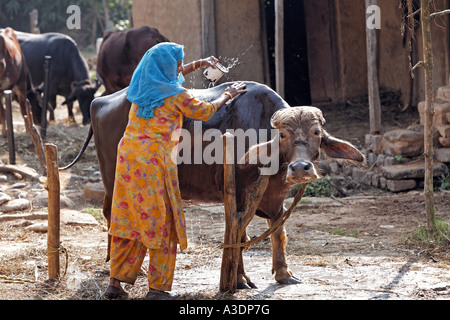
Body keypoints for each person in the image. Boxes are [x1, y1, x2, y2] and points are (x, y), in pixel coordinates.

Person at [104, 42, 247, 300]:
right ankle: (157, 289)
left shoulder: (142, 86)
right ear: (165, 68)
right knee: (163, 222)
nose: (180, 68)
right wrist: (230, 93)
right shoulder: (175, 96)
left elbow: (174, 76)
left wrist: (201, 63)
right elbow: (205, 111)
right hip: (153, 162)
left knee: (129, 220)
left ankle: (115, 284)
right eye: (177, 63)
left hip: (127, 160)